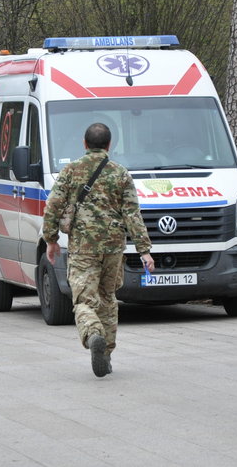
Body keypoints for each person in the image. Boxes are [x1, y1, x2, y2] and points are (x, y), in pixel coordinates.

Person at [43, 122, 154, 378]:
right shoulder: (121, 173)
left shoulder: (70, 171)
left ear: (84, 144)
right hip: (114, 247)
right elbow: (132, 214)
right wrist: (144, 250)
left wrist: (50, 239)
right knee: (108, 298)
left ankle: (93, 333)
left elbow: (53, 206)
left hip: (83, 247)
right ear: (108, 145)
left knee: (83, 299)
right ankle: (106, 354)